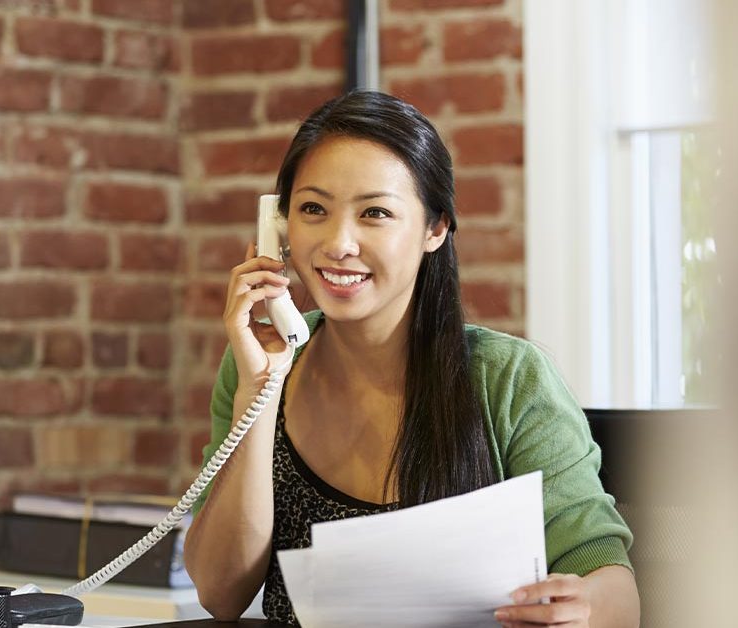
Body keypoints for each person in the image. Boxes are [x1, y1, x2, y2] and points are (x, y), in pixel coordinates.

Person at [183, 91, 639, 627]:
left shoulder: (508, 378)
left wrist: (584, 609)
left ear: (434, 228)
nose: (338, 243)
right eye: (313, 209)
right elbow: (220, 592)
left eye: (374, 212)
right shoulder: (260, 364)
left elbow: (614, 591)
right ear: (279, 226)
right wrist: (258, 393)